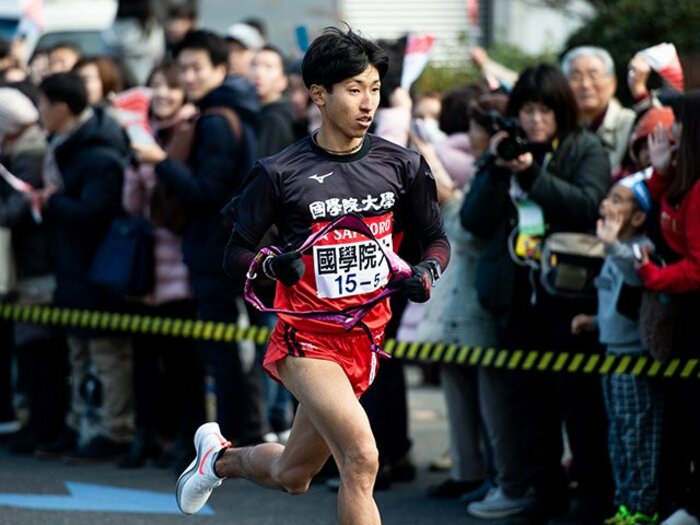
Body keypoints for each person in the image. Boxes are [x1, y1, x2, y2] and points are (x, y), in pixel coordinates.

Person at [176, 26, 449, 524]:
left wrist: (427, 270)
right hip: (306, 339)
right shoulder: (280, 172)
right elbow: (234, 253)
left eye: (374, 89)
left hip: (365, 338)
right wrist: (269, 265)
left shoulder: (403, 165)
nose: (367, 103)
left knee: (292, 475)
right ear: (319, 95)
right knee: (361, 459)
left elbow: (436, 239)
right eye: (353, 90)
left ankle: (217, 458)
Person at [460, 64, 612, 522]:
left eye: (545, 109)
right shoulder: (507, 151)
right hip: (516, 297)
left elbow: (589, 203)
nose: (535, 120)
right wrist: (495, 167)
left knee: (579, 404)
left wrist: (532, 178)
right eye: (527, 109)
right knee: (528, 403)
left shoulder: (584, 147)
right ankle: (544, 494)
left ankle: (593, 498)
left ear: (560, 110)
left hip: (570, 300)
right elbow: (474, 220)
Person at [132, 29, 265, 447]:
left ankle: (229, 445)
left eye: (197, 68)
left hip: (216, 249)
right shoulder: (236, 112)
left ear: (220, 70)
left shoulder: (215, 121)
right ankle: (247, 435)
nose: (188, 76)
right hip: (237, 246)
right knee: (245, 348)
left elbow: (207, 192)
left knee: (223, 352)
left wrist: (160, 162)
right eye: (183, 67)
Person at [34, 72, 134, 461]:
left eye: (43, 104)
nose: (39, 112)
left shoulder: (98, 152)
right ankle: (81, 428)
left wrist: (53, 201)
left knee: (108, 355)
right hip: (75, 269)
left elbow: (95, 213)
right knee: (80, 353)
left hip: (98, 271)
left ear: (61, 108)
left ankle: (113, 430)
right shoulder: (67, 144)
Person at [119, 60, 205, 469]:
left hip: (182, 265)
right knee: (143, 358)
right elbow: (132, 206)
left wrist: (161, 161)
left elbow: (196, 196)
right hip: (146, 268)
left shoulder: (194, 130)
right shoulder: (141, 134)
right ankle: (147, 434)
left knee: (184, 361)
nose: (165, 94)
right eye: (157, 86)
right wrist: (138, 167)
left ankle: (186, 442)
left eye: (173, 86)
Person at [572, 174, 662, 525]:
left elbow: (639, 274)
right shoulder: (614, 249)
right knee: (618, 435)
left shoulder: (639, 248)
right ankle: (625, 505)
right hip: (612, 352)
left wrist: (611, 245)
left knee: (637, 434)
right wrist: (593, 321)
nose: (606, 205)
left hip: (633, 358)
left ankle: (642, 508)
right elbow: (620, 303)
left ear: (638, 217)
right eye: (607, 198)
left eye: (617, 201)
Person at [640, 92, 700, 525]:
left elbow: (697, 268)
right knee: (681, 420)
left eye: (677, 120)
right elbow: (663, 221)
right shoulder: (685, 178)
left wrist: (652, 275)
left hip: (692, 316)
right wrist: (660, 174)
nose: (669, 130)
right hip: (685, 320)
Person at [560, 46, 636, 173]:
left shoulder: (630, 124)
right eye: (576, 77)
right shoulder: (558, 128)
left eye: (593, 76)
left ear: (612, 84)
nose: (585, 84)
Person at [248, 45, 295, 157]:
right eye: (254, 65)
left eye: (268, 67)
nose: (258, 73)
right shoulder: (259, 112)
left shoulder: (274, 119)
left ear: (283, 80)